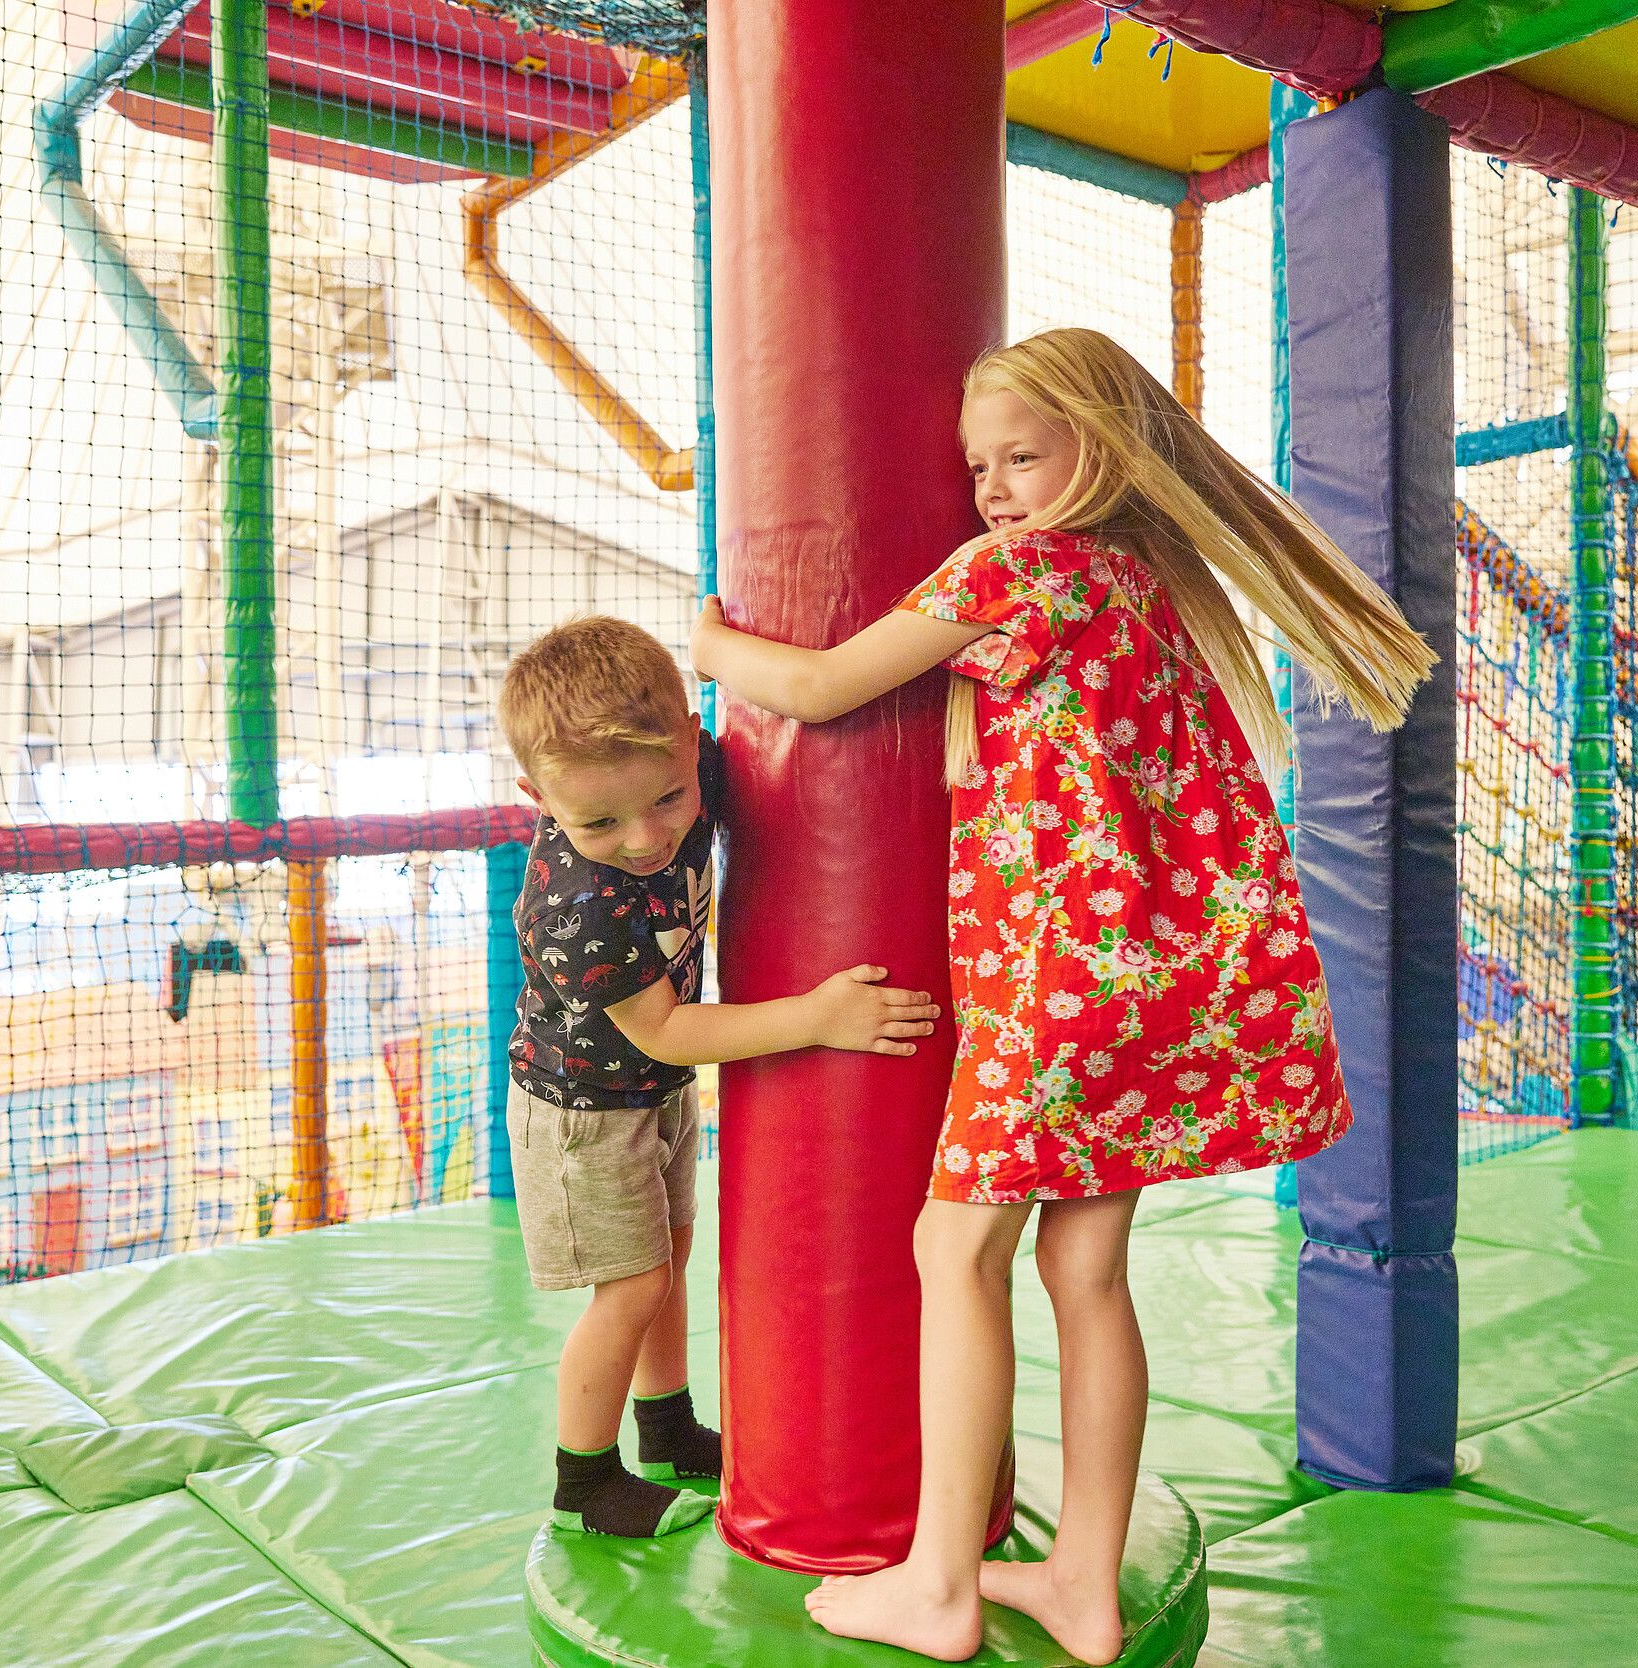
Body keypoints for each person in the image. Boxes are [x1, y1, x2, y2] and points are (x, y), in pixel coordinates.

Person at [692, 328, 1434, 1661]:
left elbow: (812, 685)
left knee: (950, 1247)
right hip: (1166, 981)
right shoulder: (1145, 586)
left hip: (1065, 987)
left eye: (1023, 454)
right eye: (982, 466)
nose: (994, 488)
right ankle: (1082, 1579)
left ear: (1110, 441)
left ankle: (935, 1584)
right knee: (1083, 1266)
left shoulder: (1018, 572)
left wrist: (707, 638)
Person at [497, 616, 943, 1539]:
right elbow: (662, 1030)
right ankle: (583, 1479)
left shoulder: (683, 774)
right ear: (536, 796)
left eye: (667, 798)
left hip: (649, 1096)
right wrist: (818, 1017)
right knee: (626, 1289)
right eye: (600, 822)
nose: (645, 837)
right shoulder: (575, 906)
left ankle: (666, 1427)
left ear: (690, 751)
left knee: (668, 1268)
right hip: (581, 1114)